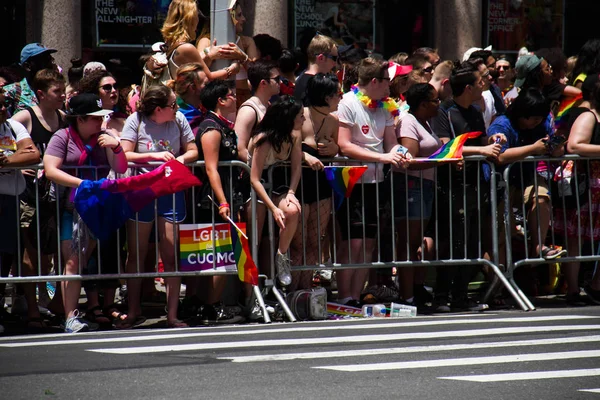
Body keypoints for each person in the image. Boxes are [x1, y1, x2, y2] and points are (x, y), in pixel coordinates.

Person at [43, 93, 127, 333]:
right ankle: (70, 317)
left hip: (94, 209)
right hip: (69, 207)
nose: (100, 123)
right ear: (79, 119)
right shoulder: (62, 137)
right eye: (94, 118)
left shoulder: (105, 136)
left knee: (78, 263)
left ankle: (66, 311)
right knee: (72, 261)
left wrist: (117, 147)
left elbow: (120, 167)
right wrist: (82, 184)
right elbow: (50, 170)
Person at [120, 85, 198, 329]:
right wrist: (154, 157)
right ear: (158, 109)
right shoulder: (136, 120)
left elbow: (193, 151)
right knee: (137, 253)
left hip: (170, 191)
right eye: (173, 105)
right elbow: (124, 154)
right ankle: (133, 311)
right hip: (142, 190)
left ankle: (173, 315)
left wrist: (178, 160)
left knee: (171, 253)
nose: (177, 108)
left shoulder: (179, 119)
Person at [429, 61, 505, 312]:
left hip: (474, 185)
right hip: (450, 186)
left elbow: (482, 138)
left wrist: (492, 139)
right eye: (480, 81)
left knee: (471, 241)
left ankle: (461, 296)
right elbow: (445, 145)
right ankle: (442, 296)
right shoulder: (445, 111)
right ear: (468, 87)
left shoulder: (474, 111)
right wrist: (481, 149)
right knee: (451, 242)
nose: (484, 84)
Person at [335, 57, 411, 306]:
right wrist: (383, 156)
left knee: (368, 244)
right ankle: (344, 296)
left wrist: (402, 152)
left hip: (376, 182)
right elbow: (344, 145)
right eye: (387, 82)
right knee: (352, 244)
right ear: (375, 81)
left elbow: (391, 142)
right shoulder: (347, 102)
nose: (391, 87)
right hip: (352, 181)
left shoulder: (386, 105)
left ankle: (355, 297)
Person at [11, 69, 66, 327]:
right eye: (57, 92)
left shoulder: (63, 118)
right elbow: (7, 137)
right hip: (28, 195)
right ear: (41, 94)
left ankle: (47, 301)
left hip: (54, 196)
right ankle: (31, 309)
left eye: (63, 90)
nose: (62, 95)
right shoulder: (25, 117)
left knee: (48, 254)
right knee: (29, 254)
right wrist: (16, 162)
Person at [489, 88, 565, 269]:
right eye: (534, 119)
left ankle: (539, 245)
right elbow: (498, 156)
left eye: (540, 119)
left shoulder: (543, 122)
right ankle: (497, 288)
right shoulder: (502, 124)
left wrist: (555, 147)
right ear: (522, 113)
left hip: (527, 178)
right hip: (500, 184)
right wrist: (533, 148)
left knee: (541, 196)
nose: (538, 122)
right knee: (501, 235)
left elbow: (556, 151)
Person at [191, 79, 244, 323]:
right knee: (218, 258)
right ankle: (210, 307)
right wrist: (223, 202)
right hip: (212, 202)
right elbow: (211, 170)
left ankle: (208, 305)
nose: (235, 97)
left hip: (228, 198)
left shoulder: (223, 126)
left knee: (223, 256)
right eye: (231, 95)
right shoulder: (211, 128)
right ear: (220, 100)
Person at [290, 74, 341, 291]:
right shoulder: (301, 115)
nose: (340, 98)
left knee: (315, 240)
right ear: (325, 96)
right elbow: (286, 147)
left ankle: (306, 290)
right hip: (299, 184)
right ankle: (293, 290)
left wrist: (335, 149)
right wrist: (304, 155)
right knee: (297, 242)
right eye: (337, 94)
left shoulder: (333, 120)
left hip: (322, 185)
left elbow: (338, 147)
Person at [393, 83, 442, 306]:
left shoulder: (425, 122)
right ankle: (407, 296)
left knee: (416, 242)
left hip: (426, 185)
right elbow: (409, 161)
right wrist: (440, 159)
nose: (439, 104)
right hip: (411, 185)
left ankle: (416, 289)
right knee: (408, 242)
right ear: (423, 104)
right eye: (435, 100)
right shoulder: (408, 121)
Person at [247, 96, 303, 287]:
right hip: (255, 187)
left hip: (277, 184)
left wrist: (291, 193)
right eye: (300, 116)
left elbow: (296, 168)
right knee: (254, 239)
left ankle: (282, 255)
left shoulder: (294, 135)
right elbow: (254, 178)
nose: (303, 119)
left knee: (293, 210)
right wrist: (273, 208)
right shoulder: (264, 140)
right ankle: (252, 291)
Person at [554, 78, 600, 306]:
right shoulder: (588, 116)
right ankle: (573, 288)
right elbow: (575, 145)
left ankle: (595, 285)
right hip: (589, 183)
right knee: (576, 238)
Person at [0, 89, 40, 332]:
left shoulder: (13, 127)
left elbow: (33, 153)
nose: (4, 110)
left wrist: (5, 160)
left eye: (4, 104)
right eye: (0, 106)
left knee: (5, 258)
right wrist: (16, 157)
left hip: (10, 200)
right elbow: (22, 154)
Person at [161, 0, 239, 84]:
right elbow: (208, 78)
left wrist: (208, 55)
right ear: (190, 19)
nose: (198, 20)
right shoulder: (186, 48)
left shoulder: (170, 43)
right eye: (196, 16)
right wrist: (231, 69)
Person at [197, 1, 258, 107]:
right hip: (217, 98)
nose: (244, 19)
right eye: (239, 15)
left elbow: (258, 72)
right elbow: (198, 73)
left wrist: (242, 57)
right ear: (230, 18)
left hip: (242, 99)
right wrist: (210, 56)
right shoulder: (206, 41)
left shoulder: (246, 42)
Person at [234, 60, 281, 163]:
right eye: (277, 79)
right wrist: (259, 168)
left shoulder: (270, 106)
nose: (280, 82)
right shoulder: (248, 110)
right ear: (263, 83)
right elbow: (240, 148)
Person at [3, 43, 58, 115]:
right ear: (27, 66)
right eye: (44, 61)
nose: (50, 65)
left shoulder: (55, 91)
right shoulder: (12, 91)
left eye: (50, 59)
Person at [293, 34, 339, 106]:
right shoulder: (313, 84)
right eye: (334, 58)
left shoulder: (301, 79)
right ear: (321, 58)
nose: (335, 63)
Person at [78, 69, 127, 135]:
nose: (114, 90)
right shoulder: (89, 121)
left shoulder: (126, 120)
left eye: (115, 86)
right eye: (107, 87)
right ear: (95, 92)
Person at [170, 62, 208, 127]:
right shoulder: (180, 117)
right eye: (206, 84)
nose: (210, 87)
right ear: (193, 87)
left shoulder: (202, 109)